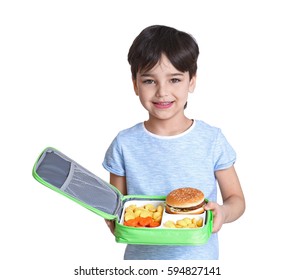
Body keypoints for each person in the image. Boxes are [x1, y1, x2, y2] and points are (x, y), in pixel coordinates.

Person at [102, 25, 245, 260]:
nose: (162, 92)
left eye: (175, 79)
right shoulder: (124, 144)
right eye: (149, 81)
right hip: (142, 265)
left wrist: (223, 211)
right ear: (135, 84)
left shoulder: (212, 139)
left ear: (192, 81)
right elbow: (117, 205)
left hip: (199, 265)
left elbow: (236, 200)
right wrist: (111, 218)